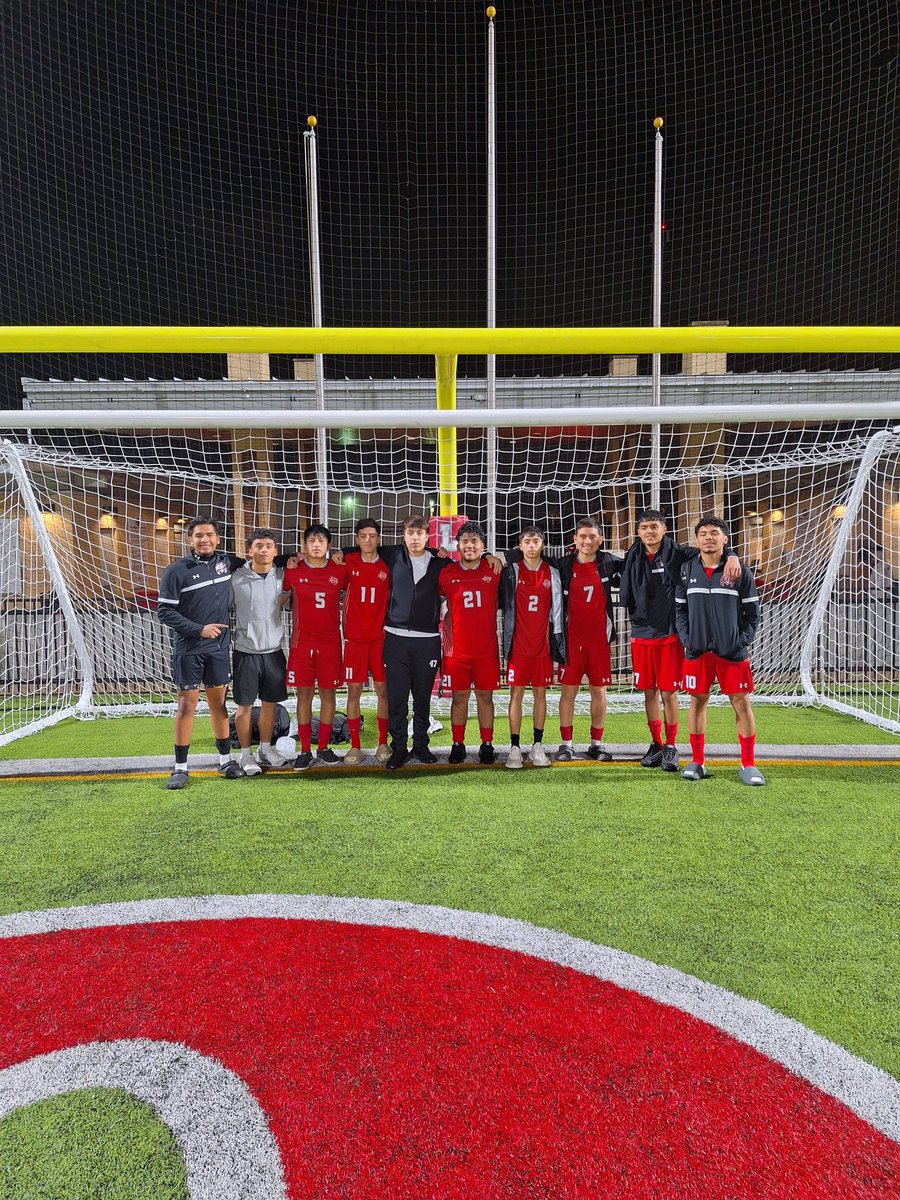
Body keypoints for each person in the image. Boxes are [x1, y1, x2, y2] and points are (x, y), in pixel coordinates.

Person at [619, 509, 741, 773]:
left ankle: (671, 745)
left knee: (668, 692)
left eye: (654, 527)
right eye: (644, 528)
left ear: (664, 529)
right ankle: (656, 743)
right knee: (648, 691)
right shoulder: (633, 554)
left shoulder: (680, 553)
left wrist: (732, 554)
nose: (649, 532)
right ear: (638, 531)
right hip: (640, 630)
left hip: (669, 633)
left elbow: (710, 552)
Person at [674, 515, 764, 786]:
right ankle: (697, 761)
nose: (708, 537)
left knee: (741, 703)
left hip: (731, 652)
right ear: (697, 539)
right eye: (703, 533)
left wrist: (740, 641)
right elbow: (680, 610)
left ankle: (748, 764)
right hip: (698, 651)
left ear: (725, 538)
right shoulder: (686, 570)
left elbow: (752, 613)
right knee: (697, 701)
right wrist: (688, 639)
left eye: (714, 533)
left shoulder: (739, 571)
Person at [156, 517, 246, 789]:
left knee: (219, 706)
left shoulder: (228, 563)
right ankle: (180, 768)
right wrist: (199, 630)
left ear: (218, 539)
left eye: (209, 535)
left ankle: (225, 761)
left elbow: (260, 559)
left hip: (218, 650)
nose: (204, 539)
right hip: (189, 650)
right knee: (187, 706)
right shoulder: (177, 571)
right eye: (198, 535)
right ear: (190, 539)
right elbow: (164, 612)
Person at [551, 517, 623, 763]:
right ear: (575, 539)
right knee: (568, 692)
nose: (587, 541)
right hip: (571, 643)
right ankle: (566, 744)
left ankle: (596, 744)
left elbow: (636, 563)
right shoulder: (563, 565)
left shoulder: (609, 563)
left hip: (599, 642)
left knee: (599, 693)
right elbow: (531, 557)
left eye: (592, 536)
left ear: (600, 539)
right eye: (582, 536)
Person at [282, 524, 349, 770]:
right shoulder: (293, 571)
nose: (317, 544)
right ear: (304, 545)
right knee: (304, 694)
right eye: (312, 540)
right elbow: (280, 598)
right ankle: (305, 750)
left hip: (330, 641)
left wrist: (343, 552)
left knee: (328, 694)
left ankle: (323, 746)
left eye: (321, 540)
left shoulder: (340, 570)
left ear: (328, 545)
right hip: (302, 641)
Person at [500, 525, 566, 768]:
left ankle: (537, 745)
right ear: (520, 546)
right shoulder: (512, 571)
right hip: (518, 647)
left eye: (535, 541)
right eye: (526, 541)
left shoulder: (552, 572)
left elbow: (557, 611)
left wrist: (557, 643)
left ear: (542, 545)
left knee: (541, 694)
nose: (531, 545)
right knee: (515, 694)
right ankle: (515, 748)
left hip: (542, 647)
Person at [229, 527, 293, 775]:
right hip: (246, 651)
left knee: (270, 704)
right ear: (250, 551)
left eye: (268, 546)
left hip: (274, 651)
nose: (264, 550)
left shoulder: (284, 577)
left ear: (275, 551)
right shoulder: (236, 579)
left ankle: (265, 750)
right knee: (244, 706)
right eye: (259, 546)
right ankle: (245, 754)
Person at [438, 522, 503, 764]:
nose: (469, 545)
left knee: (485, 698)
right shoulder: (446, 573)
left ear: (483, 545)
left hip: (486, 649)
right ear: (457, 545)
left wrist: (491, 556)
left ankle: (487, 744)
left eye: (475, 541)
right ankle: (458, 744)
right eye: (464, 541)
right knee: (459, 698)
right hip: (457, 650)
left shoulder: (494, 569)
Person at [340, 518, 391, 765]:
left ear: (378, 538)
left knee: (383, 691)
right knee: (354, 692)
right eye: (363, 536)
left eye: (372, 536)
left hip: (381, 640)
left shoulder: (388, 565)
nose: (368, 540)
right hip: (355, 641)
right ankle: (355, 745)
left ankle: (383, 742)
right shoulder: (347, 562)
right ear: (357, 539)